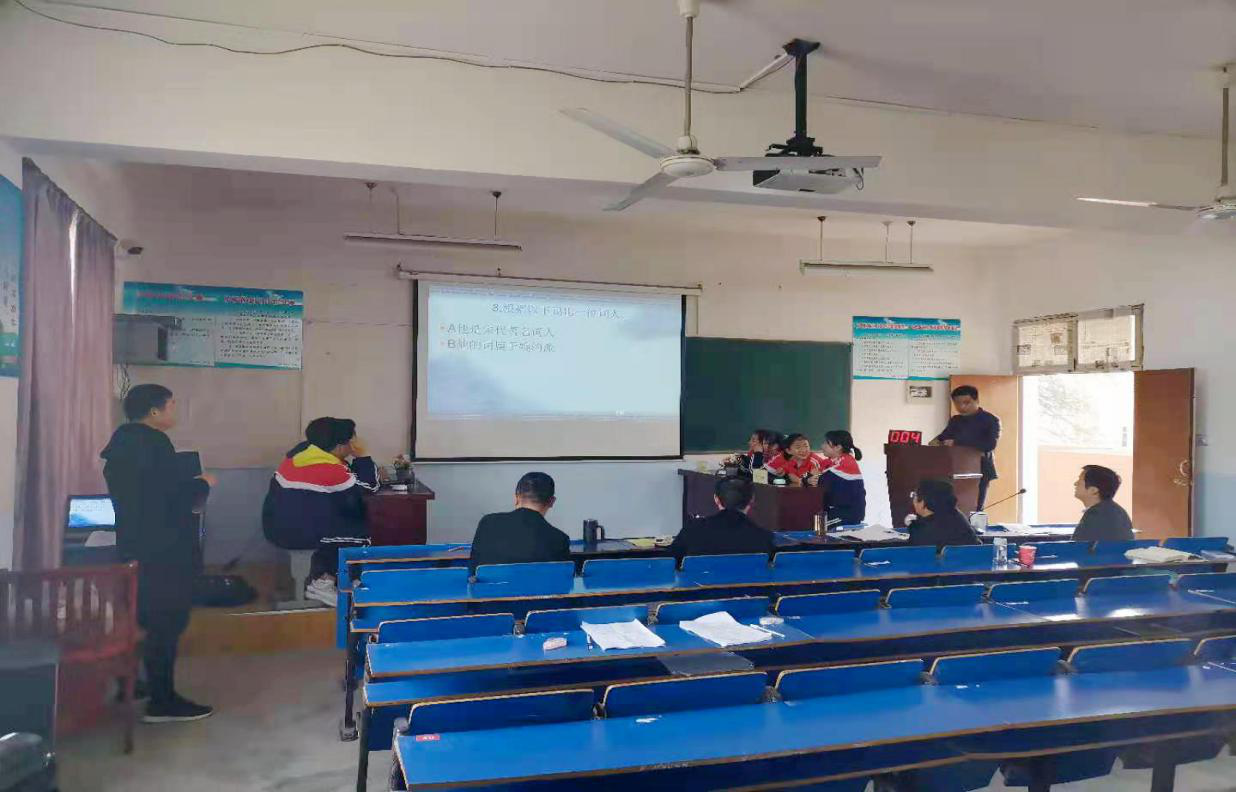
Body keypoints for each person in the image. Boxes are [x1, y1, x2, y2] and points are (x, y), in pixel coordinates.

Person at [101, 384, 217, 723]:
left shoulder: (121, 443)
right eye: (172, 404)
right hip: (164, 551)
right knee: (166, 623)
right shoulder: (154, 443)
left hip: (133, 545)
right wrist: (204, 483)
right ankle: (162, 702)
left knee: (142, 618)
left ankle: (132, 684)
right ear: (155, 411)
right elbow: (173, 498)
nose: (174, 410)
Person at [262, 417, 379, 606]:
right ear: (340, 445)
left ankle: (337, 577)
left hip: (277, 527)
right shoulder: (329, 468)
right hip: (296, 533)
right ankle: (324, 582)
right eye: (352, 440)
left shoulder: (298, 457)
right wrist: (362, 456)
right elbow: (369, 487)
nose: (354, 444)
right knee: (358, 529)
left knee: (342, 520)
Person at [469, 472, 571, 572]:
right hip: (533, 584)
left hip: (492, 584)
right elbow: (561, 578)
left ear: (516, 498)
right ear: (551, 501)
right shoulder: (560, 539)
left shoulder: (487, 523)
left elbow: (473, 570)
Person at [669, 476, 777, 559]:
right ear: (752, 500)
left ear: (716, 499)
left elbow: (670, 561)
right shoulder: (764, 537)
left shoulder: (692, 530)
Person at [931, 385, 1001, 510]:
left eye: (966, 403)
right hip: (955, 468)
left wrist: (957, 442)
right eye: (957, 403)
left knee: (974, 508)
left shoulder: (990, 420)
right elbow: (943, 437)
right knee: (954, 507)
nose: (962, 407)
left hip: (980, 469)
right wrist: (936, 442)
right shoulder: (956, 420)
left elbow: (989, 444)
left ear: (977, 400)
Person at [906, 478, 979, 550]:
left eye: (914, 495)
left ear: (923, 502)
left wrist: (912, 526)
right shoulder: (957, 516)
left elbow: (915, 551)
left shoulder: (922, 532)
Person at [1071, 465, 1133, 542]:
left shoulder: (1095, 514)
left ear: (1093, 490)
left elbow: (1077, 546)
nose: (1075, 483)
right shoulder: (1117, 511)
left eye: (1080, 481)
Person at [817, 430, 866, 526]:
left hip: (846, 515)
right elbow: (816, 473)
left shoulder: (845, 462)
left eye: (826, 443)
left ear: (838, 447)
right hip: (838, 510)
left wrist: (811, 477)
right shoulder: (833, 460)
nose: (822, 446)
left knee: (816, 525)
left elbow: (820, 480)